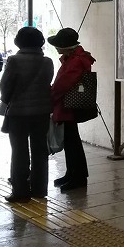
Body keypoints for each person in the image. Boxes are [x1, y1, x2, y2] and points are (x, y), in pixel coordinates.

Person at [0, 27, 54, 202]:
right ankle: (39, 189)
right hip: (42, 112)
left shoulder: (14, 60)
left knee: (19, 151)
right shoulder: (48, 61)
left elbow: (5, 85)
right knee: (40, 150)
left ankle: (20, 191)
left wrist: (7, 99)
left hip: (19, 113)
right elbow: (47, 84)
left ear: (19, 42)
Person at [48, 27, 95, 193]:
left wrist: (51, 95)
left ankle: (78, 177)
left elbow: (64, 84)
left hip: (69, 106)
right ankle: (73, 174)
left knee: (72, 142)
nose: (56, 48)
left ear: (64, 46)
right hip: (68, 105)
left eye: (57, 45)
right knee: (71, 141)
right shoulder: (74, 57)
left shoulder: (75, 61)